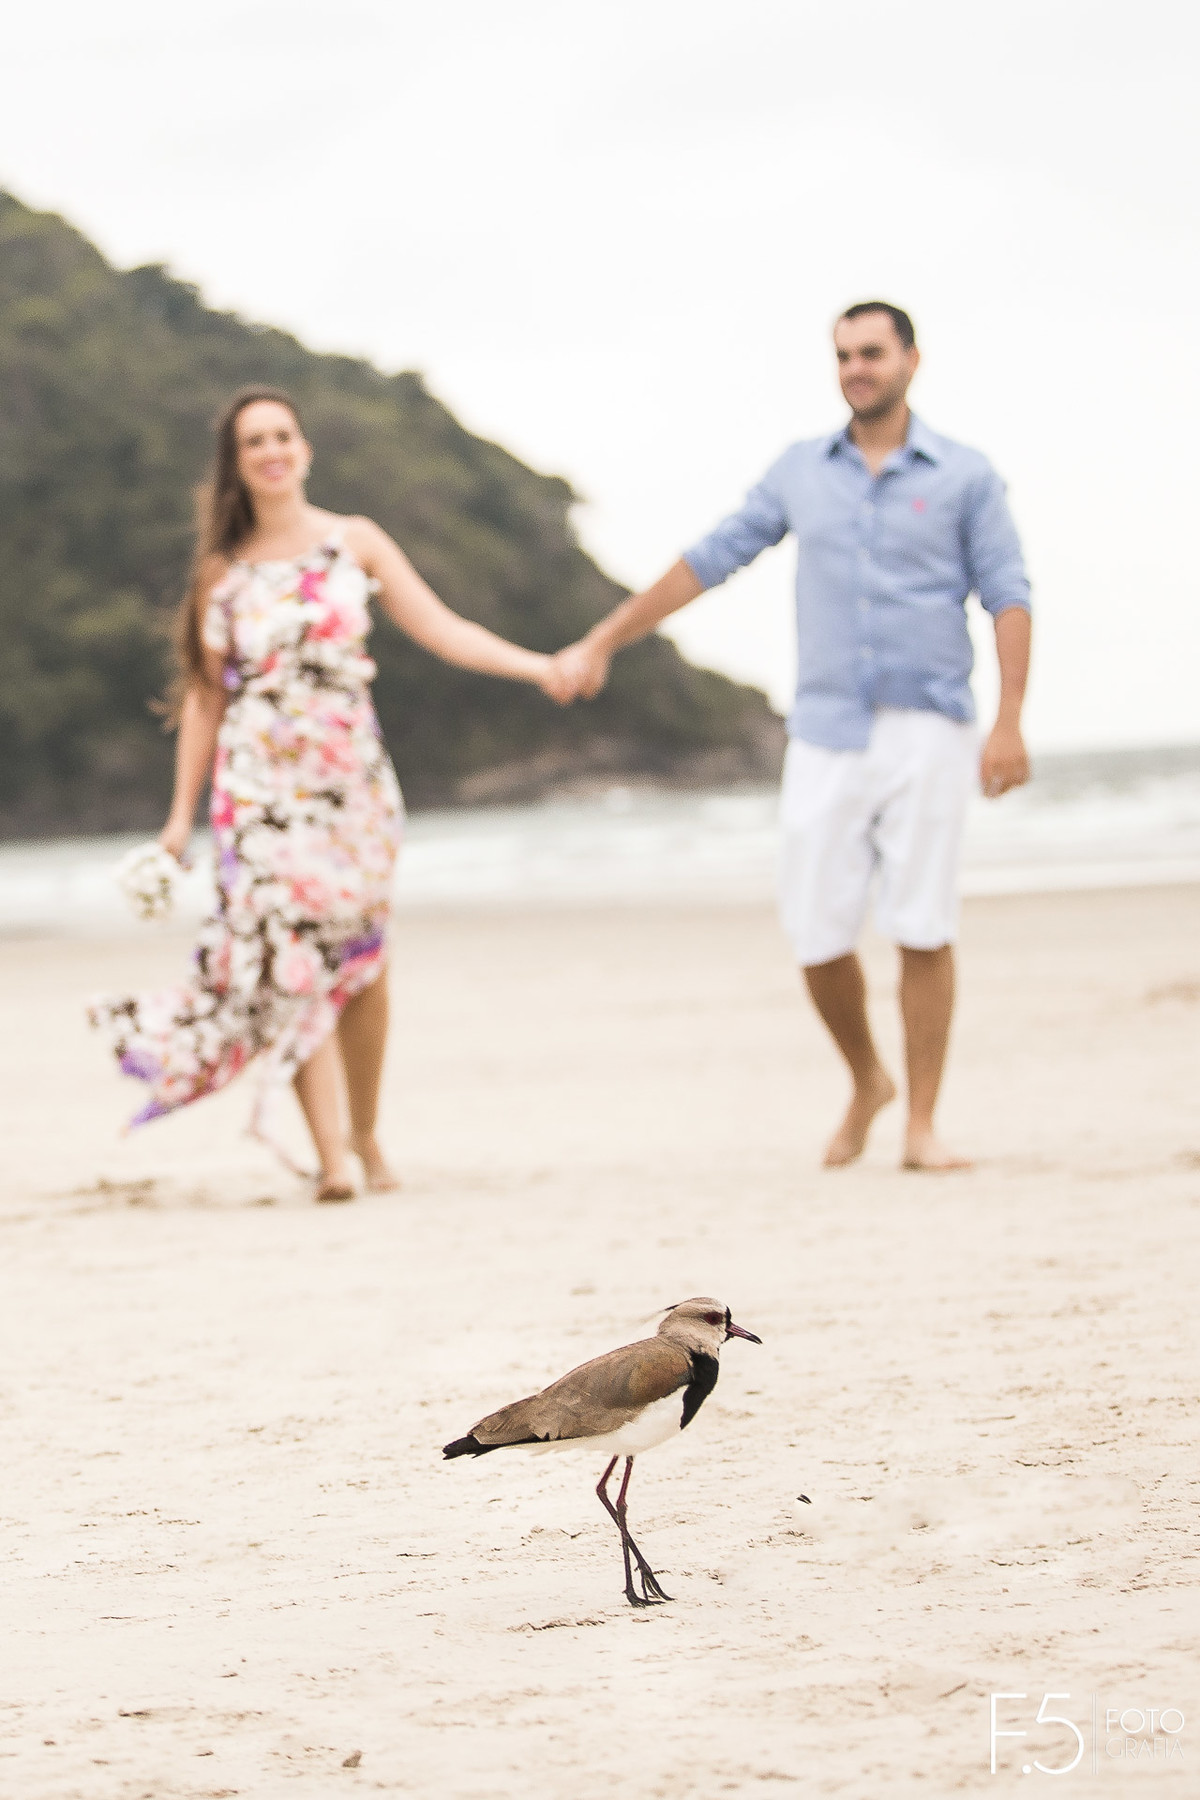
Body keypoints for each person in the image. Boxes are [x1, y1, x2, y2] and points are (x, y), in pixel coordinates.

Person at [553, 302, 1032, 1171]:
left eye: (873, 352)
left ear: (911, 361)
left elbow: (1008, 593)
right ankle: (866, 1079)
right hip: (826, 728)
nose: (857, 367)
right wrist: (602, 639)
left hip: (930, 724)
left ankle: (921, 1126)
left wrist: (1009, 721)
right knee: (817, 933)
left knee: (923, 924)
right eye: (844, 354)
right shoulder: (800, 471)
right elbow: (711, 557)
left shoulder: (965, 475)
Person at [91, 386, 570, 1200]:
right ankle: (336, 1164)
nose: (273, 450)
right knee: (295, 963)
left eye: (284, 434)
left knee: (365, 966)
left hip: (352, 788)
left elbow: (443, 628)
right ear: (237, 466)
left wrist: (538, 665)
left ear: (305, 449)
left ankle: (367, 1134)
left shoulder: (357, 543)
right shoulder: (224, 574)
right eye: (255, 442)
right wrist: (179, 820)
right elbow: (206, 698)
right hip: (260, 793)